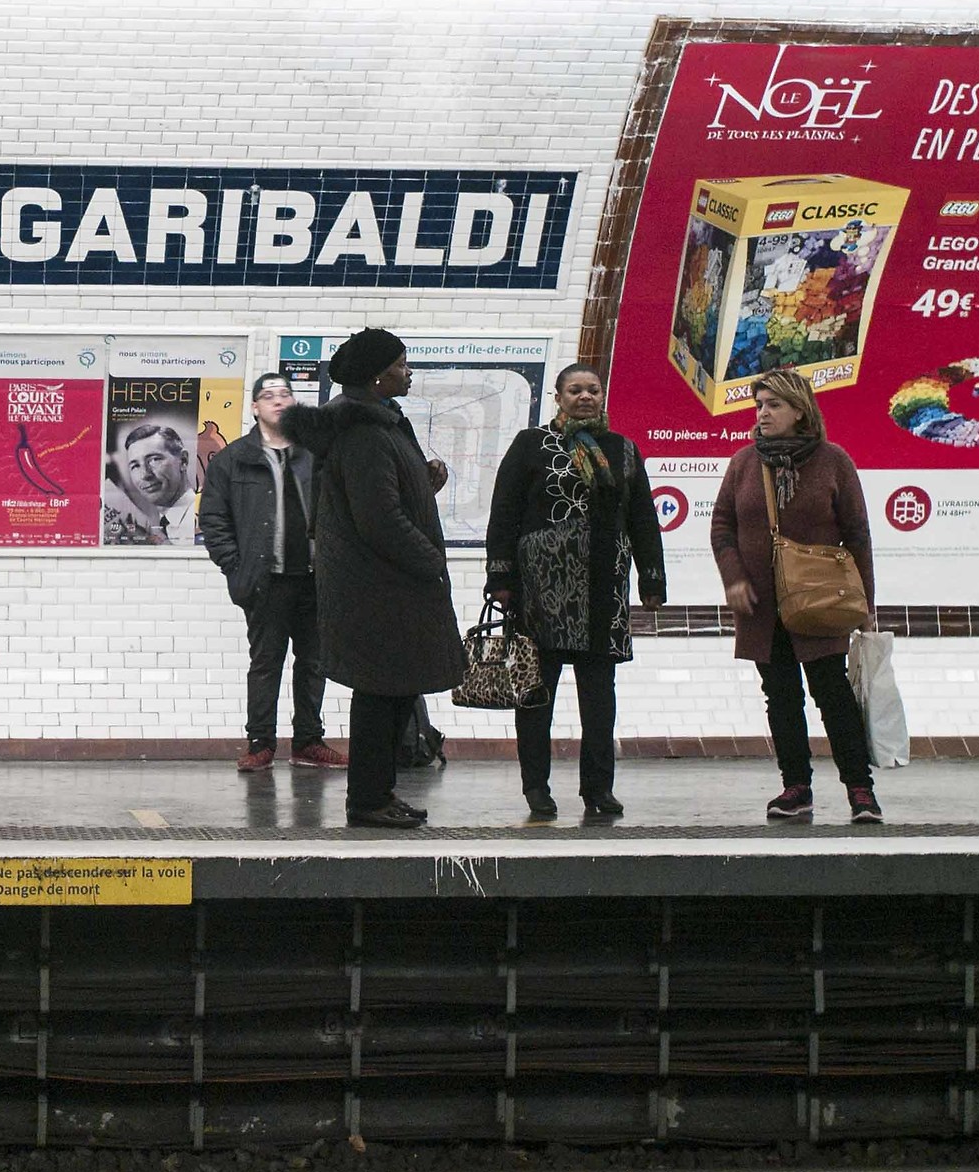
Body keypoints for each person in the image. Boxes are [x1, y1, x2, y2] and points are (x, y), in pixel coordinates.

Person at [282, 329, 466, 829]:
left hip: (384, 584)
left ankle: (379, 793)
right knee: (380, 697)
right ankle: (367, 800)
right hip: (381, 586)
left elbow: (379, 496)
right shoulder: (364, 431)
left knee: (393, 693)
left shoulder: (380, 425)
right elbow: (378, 518)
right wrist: (430, 560)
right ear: (377, 376)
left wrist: (421, 483)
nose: (409, 373)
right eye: (403, 365)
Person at [484, 362, 666, 821]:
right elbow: (503, 512)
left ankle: (598, 789)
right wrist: (501, 579)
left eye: (593, 390)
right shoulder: (532, 445)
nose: (585, 397)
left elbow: (642, 516)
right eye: (574, 390)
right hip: (541, 592)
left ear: (602, 396)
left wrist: (652, 577)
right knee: (536, 696)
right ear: (558, 397)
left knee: (600, 701)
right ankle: (537, 789)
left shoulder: (623, 450)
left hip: (604, 590)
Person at [709, 367, 883, 824]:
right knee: (781, 696)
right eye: (759, 406)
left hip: (819, 601)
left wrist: (866, 605)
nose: (762, 414)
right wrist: (734, 579)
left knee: (832, 693)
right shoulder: (744, 462)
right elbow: (722, 526)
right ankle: (796, 787)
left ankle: (861, 791)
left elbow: (858, 534)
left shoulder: (833, 461)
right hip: (762, 606)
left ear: (800, 411)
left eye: (773, 405)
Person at [198, 372, 345, 773]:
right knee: (266, 663)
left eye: (285, 394)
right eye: (269, 395)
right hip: (265, 580)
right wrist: (235, 564)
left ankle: (308, 741)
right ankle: (261, 742)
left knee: (314, 662)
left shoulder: (315, 453)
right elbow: (213, 519)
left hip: (315, 578)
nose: (279, 401)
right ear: (255, 407)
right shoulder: (234, 458)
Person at [102, 421, 198, 545]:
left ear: (183, 461)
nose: (145, 475)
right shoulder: (159, 524)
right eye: (135, 466)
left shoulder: (202, 519)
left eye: (154, 459)